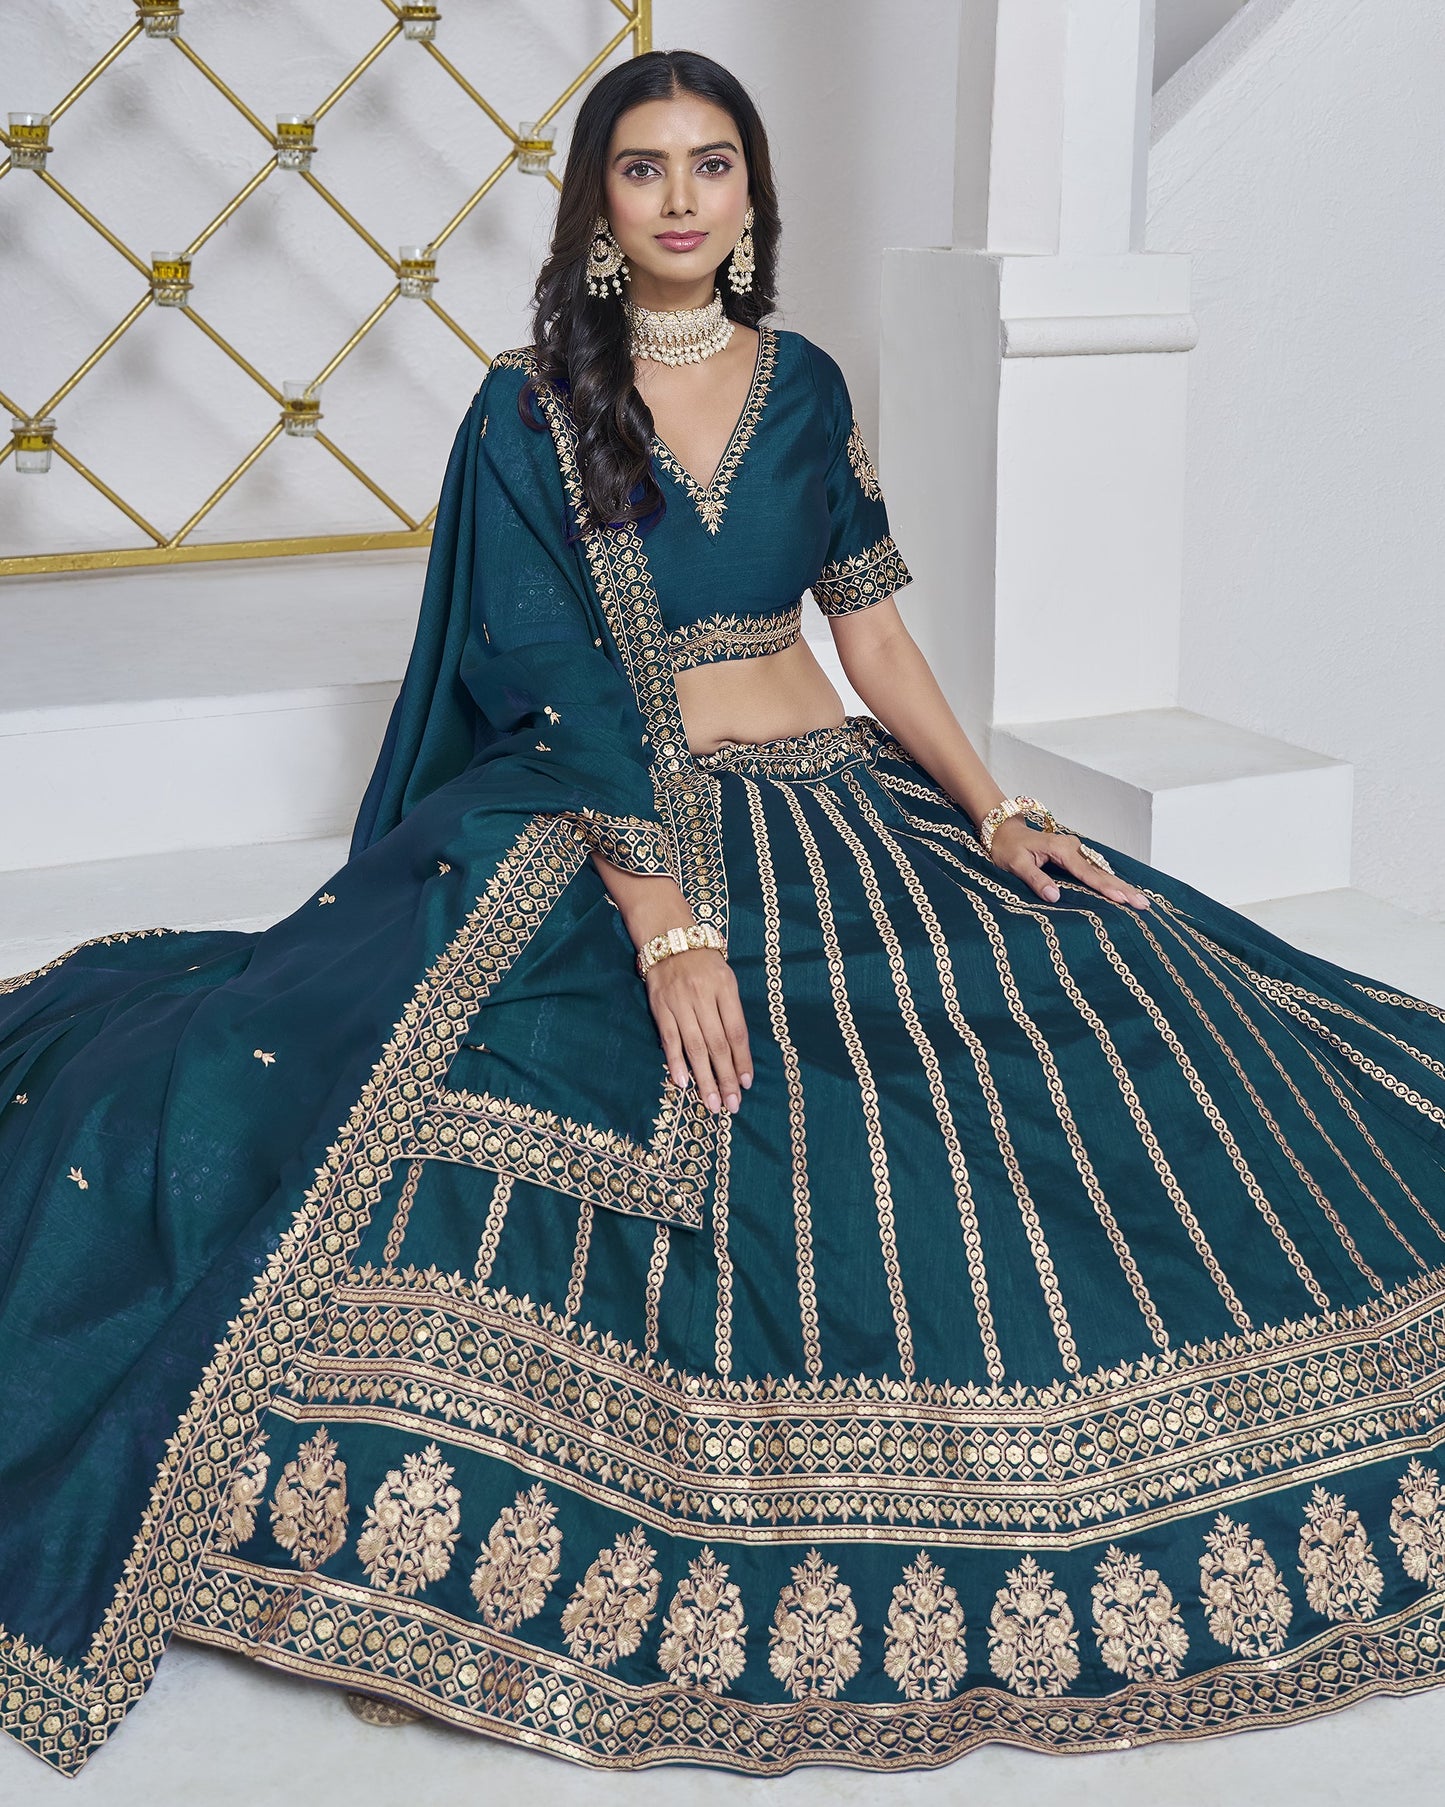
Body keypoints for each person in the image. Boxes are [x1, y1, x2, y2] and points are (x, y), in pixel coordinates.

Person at [4, 47, 1445, 1782]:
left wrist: (994, 811)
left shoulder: (809, 381)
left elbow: (872, 630)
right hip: (621, 827)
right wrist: (670, 925)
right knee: (678, 1095)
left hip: (841, 793)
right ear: (597, 206)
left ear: (752, 195)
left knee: (1109, 975)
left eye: (711, 164)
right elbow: (545, 671)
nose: (682, 196)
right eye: (641, 168)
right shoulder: (531, 405)